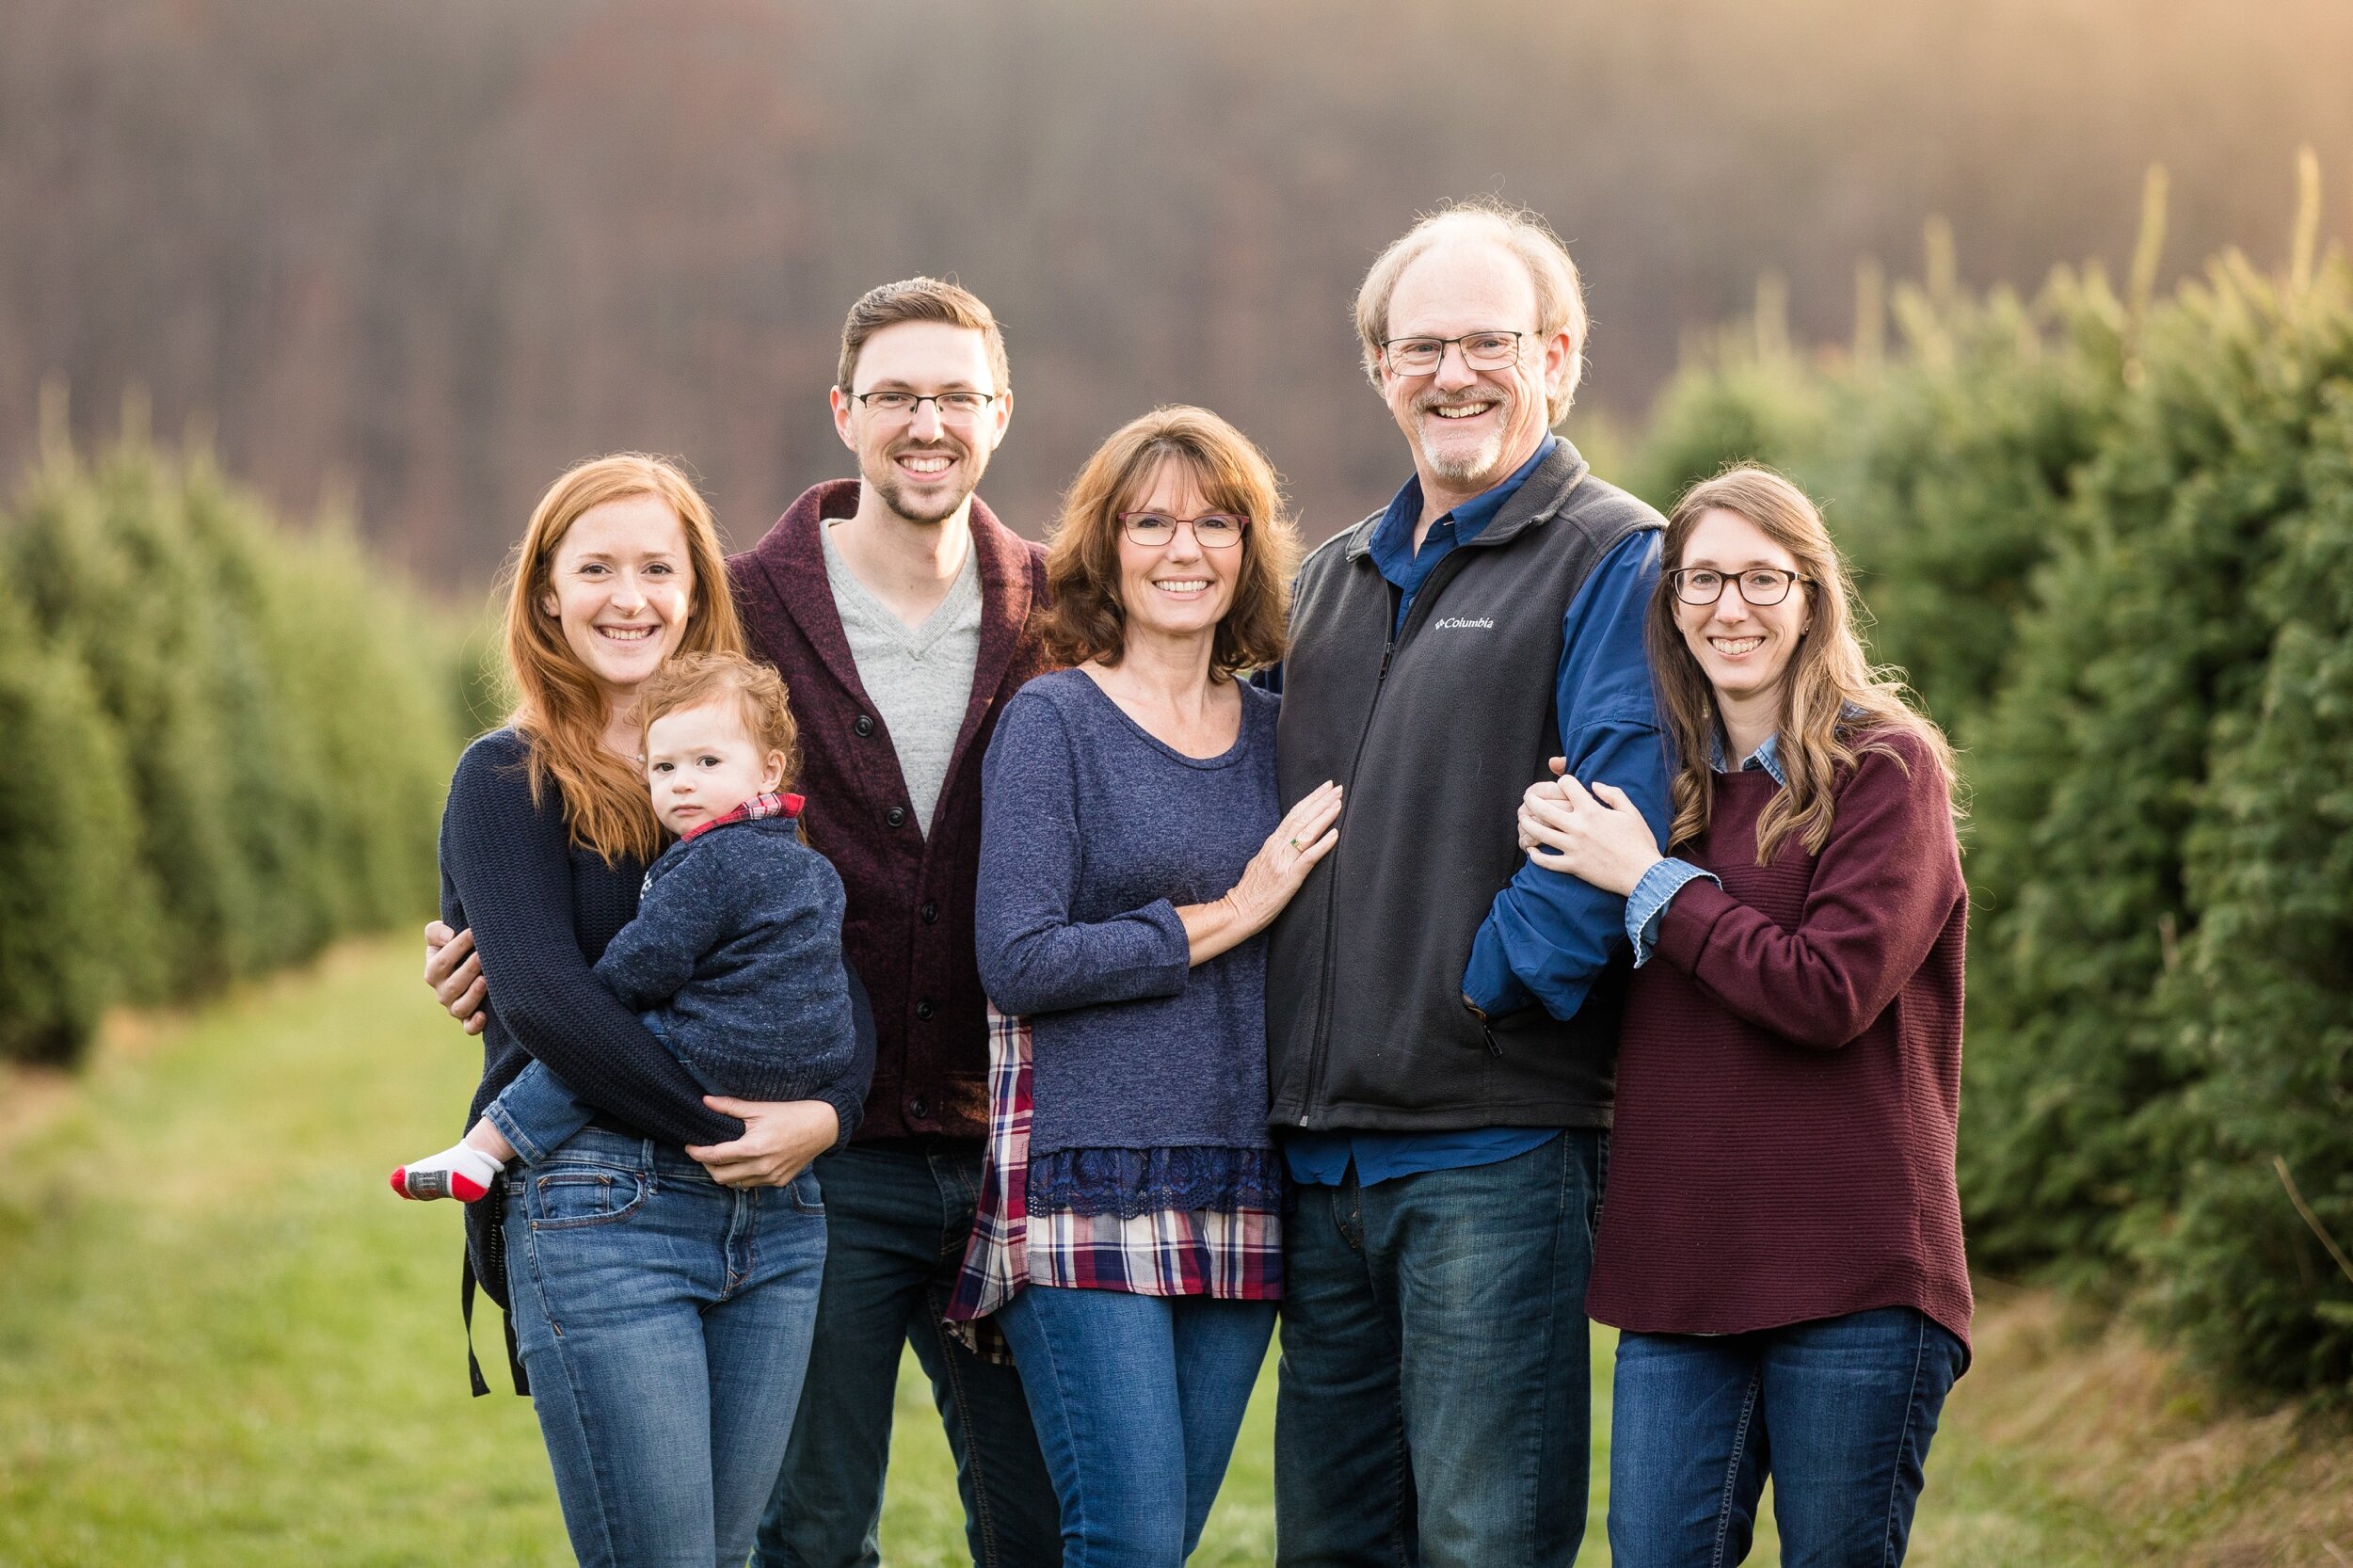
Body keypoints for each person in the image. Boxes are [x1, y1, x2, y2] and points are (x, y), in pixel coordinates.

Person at [432, 279, 1064, 1565]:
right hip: (754, 1176)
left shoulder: (1059, 609)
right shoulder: (740, 613)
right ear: (844, 411)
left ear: (1001, 412)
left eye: (956, 393)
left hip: (977, 1144)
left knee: (1042, 1524)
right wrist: (486, 955)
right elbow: (545, 961)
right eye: (895, 393)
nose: (632, 595)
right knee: (797, 1536)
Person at [1263, 199, 1671, 1566]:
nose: (1454, 374)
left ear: (1558, 354)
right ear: (1381, 368)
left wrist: (1480, 995)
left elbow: (1626, 804)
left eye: (1489, 342)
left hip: (1492, 1145)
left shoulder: (1615, 554)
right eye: (1421, 345)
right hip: (1323, 1159)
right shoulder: (1325, 583)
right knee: (1332, 1541)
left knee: (1486, 1538)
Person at [1514, 466, 1971, 1567]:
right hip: (1678, 1272)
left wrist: (1647, 885)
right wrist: (1557, 855)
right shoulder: (1644, 794)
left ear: (1812, 596)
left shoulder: (1882, 771)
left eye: (1762, 578)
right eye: (1702, 579)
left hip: (1855, 1270)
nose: (1731, 607)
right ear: (1668, 605)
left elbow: (1827, 993)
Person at [433, 454, 867, 1568]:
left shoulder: (737, 782)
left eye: (656, 568)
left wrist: (827, 1118)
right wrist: (725, 1125)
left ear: (695, 590)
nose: (629, 597)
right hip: (599, 1211)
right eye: (595, 568)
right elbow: (546, 1004)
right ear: (544, 593)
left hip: (775, 1224)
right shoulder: (506, 778)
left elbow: (820, 970)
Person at [955, 407, 1334, 1567]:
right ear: (1106, 550)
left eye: (1216, 522)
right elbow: (1017, 958)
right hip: (1080, 1174)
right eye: (1151, 521)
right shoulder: (1052, 721)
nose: (1184, 548)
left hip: (1241, 1171)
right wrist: (1228, 915)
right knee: (1125, 1537)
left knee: (1161, 1542)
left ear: (1249, 548)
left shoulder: (1285, 733)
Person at [392, 650, 867, 1206]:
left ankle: (483, 1150)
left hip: (726, 1055)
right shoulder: (810, 864)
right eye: (664, 769)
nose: (683, 784)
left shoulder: (710, 861)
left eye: (707, 763)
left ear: (769, 770)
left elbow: (651, 956)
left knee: (585, 1055)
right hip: (806, 1074)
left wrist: (595, 996)